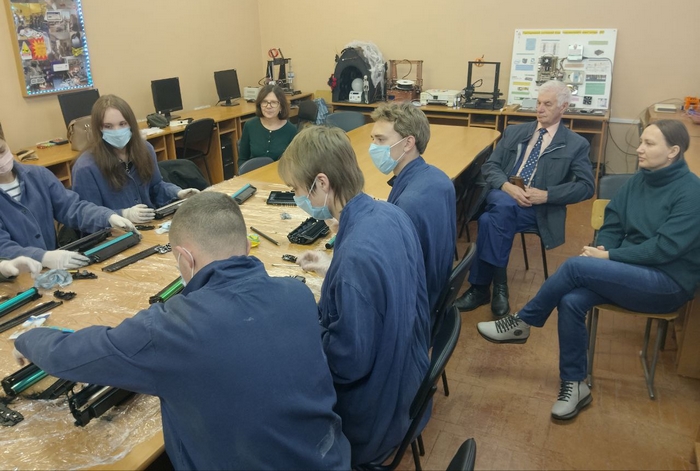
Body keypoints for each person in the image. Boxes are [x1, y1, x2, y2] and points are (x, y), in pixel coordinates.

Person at [14, 191, 351, 470]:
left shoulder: (171, 327)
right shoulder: (297, 294)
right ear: (246, 247)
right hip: (330, 458)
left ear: (184, 259)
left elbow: (73, 355)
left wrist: (27, 338)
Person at [477, 120, 700, 420]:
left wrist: (607, 257)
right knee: (571, 300)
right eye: (641, 141)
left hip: (667, 283)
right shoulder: (640, 179)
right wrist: (605, 248)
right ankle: (575, 385)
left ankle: (523, 321)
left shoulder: (691, 192)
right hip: (629, 270)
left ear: (673, 151)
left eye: (649, 144)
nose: (639, 149)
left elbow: (664, 249)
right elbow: (613, 221)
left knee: (575, 267)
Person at [279, 126, 430, 466]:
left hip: (374, 416)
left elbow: (348, 363)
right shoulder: (390, 212)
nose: (297, 197)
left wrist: (302, 324)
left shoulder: (354, 259)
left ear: (321, 183)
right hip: (408, 381)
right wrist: (333, 270)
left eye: (297, 189)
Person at [455, 80, 595, 317]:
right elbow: (491, 166)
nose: (539, 109)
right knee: (503, 204)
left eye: (547, 104)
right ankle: (499, 289)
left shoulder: (576, 144)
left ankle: (481, 288)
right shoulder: (515, 132)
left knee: (490, 221)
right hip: (504, 195)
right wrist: (507, 186)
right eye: (538, 103)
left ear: (563, 107)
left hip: (537, 209)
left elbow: (587, 187)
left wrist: (547, 195)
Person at [369, 102, 456, 324]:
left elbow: (387, 273)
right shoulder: (436, 177)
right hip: (432, 296)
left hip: (411, 313)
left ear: (408, 143)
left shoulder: (408, 204)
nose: (373, 147)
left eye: (380, 140)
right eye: (372, 139)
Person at [0, 133, 136, 270]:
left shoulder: (38, 175)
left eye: (1, 151)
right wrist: (43, 257)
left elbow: (71, 207)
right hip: (18, 277)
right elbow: (3, 246)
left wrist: (107, 217)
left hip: (51, 271)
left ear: (6, 142)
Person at [71, 95, 198, 224]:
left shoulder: (145, 149)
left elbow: (156, 187)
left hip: (149, 224)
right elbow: (86, 214)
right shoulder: (85, 167)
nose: (117, 131)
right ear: (99, 129)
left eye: (122, 124)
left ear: (131, 124)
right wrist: (124, 214)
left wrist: (178, 193)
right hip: (116, 233)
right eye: (108, 126)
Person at [237, 84, 296, 168]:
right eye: (264, 102)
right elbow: (242, 159)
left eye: (274, 102)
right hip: (254, 174)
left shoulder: (291, 130)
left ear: (281, 107)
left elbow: (294, 164)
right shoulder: (250, 125)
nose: (268, 106)